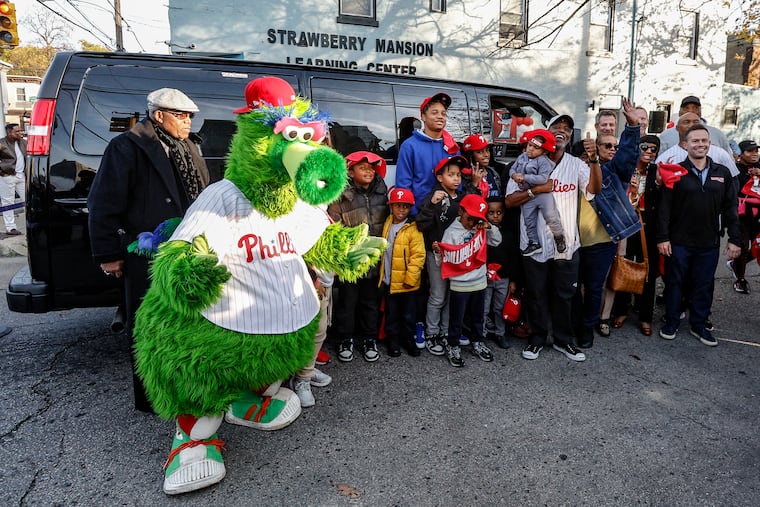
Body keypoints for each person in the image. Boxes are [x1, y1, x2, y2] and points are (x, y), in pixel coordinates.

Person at [88, 88, 210, 412]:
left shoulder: (189, 147)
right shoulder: (127, 146)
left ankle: (185, 388)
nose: (188, 122)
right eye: (181, 116)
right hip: (146, 254)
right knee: (148, 325)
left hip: (187, 251)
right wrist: (108, 254)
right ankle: (153, 397)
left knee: (187, 323)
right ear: (159, 115)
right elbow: (103, 203)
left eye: (189, 117)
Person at [505, 113, 602, 362]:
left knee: (565, 295)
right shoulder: (526, 161)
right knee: (536, 295)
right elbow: (509, 201)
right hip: (534, 244)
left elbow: (594, 191)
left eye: (567, 128)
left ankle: (563, 340)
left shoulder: (575, 164)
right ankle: (537, 339)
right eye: (556, 126)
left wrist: (593, 160)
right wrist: (536, 190)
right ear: (545, 133)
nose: (562, 130)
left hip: (566, 244)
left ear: (570, 135)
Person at [657, 124, 741, 346]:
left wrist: (735, 239)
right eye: (695, 141)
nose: (700, 144)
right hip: (679, 241)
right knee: (676, 283)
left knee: (704, 285)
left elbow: (731, 209)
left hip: (708, 242)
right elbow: (664, 208)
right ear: (685, 145)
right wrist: (663, 238)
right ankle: (672, 321)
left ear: (709, 143)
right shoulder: (675, 171)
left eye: (704, 140)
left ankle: (699, 325)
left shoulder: (722, 173)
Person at [575, 98, 642, 348]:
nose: (612, 149)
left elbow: (627, 155)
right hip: (573, 242)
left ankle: (587, 330)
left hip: (602, 242)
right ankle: (573, 325)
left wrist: (633, 127)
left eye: (614, 146)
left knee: (594, 288)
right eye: (606, 146)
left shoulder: (615, 172)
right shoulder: (578, 169)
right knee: (573, 287)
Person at [327, 151, 389, 362]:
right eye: (363, 167)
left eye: (371, 167)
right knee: (347, 302)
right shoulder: (341, 196)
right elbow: (333, 226)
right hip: (350, 261)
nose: (369, 171)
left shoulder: (383, 192)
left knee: (370, 302)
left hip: (375, 259)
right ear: (350, 171)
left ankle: (369, 339)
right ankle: (345, 339)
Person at [434, 193, 502, 366]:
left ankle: (478, 342)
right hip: (459, 285)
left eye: (476, 219)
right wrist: (437, 251)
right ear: (460, 211)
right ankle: (453, 345)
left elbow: (497, 241)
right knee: (456, 319)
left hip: (479, 281)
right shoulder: (451, 232)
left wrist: (489, 227)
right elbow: (442, 261)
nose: (472, 223)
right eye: (469, 218)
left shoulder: (479, 228)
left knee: (478, 317)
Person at [416, 155, 473, 355]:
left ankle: (447, 331)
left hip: (458, 256)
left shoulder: (464, 198)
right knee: (438, 295)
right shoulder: (434, 197)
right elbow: (421, 225)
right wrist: (432, 204)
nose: (456, 179)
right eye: (451, 175)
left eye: (458, 175)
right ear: (440, 177)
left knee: (452, 295)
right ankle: (431, 333)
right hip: (437, 255)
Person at [608, 135, 663, 336]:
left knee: (647, 271)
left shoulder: (658, 171)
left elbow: (663, 203)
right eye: (645, 147)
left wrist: (658, 185)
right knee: (623, 265)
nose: (649, 152)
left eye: (653, 149)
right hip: (625, 226)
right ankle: (621, 311)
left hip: (649, 228)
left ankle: (645, 316)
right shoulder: (626, 168)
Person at [378, 187, 426, 357]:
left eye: (405, 207)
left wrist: (411, 278)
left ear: (410, 208)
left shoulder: (413, 228)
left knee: (408, 315)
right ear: (391, 206)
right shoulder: (388, 223)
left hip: (407, 283)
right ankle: (393, 340)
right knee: (392, 314)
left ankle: (408, 339)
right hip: (390, 281)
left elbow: (418, 256)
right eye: (397, 206)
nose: (401, 210)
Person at [396, 93, 460, 215]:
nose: (440, 117)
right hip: (421, 214)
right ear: (423, 117)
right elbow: (403, 185)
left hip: (449, 215)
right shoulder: (410, 146)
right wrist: (415, 214)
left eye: (443, 113)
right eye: (434, 113)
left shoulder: (452, 146)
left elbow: (459, 183)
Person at [509, 129, 566, 256]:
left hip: (543, 195)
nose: (530, 149)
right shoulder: (522, 157)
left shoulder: (544, 161)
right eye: (530, 145)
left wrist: (524, 177)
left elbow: (543, 179)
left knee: (551, 216)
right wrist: (513, 175)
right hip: (527, 195)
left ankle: (559, 236)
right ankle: (534, 243)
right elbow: (512, 168)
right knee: (529, 220)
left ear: (544, 151)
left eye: (536, 148)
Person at [289, 267, 334, 408]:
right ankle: (302, 377)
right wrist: (313, 280)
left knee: (320, 330)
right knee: (305, 329)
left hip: (324, 279)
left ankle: (306, 369)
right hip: (304, 279)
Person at [483, 197, 521, 349]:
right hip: (485, 278)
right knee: (484, 308)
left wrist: (513, 281)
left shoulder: (509, 234)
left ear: (504, 213)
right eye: (491, 213)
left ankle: (500, 333)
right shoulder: (482, 233)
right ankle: (482, 333)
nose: (495, 216)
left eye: (499, 212)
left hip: (503, 278)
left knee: (500, 308)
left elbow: (514, 259)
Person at [656, 112, 739, 177]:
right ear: (677, 128)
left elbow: (733, 183)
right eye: (686, 122)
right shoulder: (666, 158)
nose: (691, 125)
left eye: (696, 122)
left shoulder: (720, 153)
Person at [726, 139, 760, 294]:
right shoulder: (735, 169)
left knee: (756, 246)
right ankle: (740, 279)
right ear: (740, 154)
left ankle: (735, 264)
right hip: (742, 215)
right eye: (749, 151)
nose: (754, 154)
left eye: (756, 151)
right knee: (742, 247)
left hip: (758, 215)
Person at [658, 96, 732, 156]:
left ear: (700, 111)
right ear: (680, 112)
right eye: (686, 108)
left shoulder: (717, 134)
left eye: (695, 108)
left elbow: (729, 161)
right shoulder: (666, 136)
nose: (691, 111)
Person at [0, 123, 27, 235]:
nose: (20, 133)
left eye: (20, 131)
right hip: (7, 176)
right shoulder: (2, 143)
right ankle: (10, 228)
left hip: (21, 176)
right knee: (8, 202)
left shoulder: (23, 142)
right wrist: (1, 172)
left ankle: (31, 222)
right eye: (17, 131)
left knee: (28, 200)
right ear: (9, 133)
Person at [461, 134, 501, 200]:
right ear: (470, 155)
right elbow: (466, 201)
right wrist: (474, 183)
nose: (486, 155)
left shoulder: (493, 173)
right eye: (479, 152)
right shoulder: (463, 176)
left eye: (487, 150)